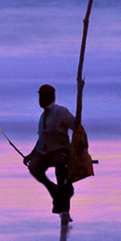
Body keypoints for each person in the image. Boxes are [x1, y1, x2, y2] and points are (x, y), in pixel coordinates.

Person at [26, 84, 78, 219]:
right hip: (47, 153)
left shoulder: (61, 112)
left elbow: (77, 127)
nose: (40, 99)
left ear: (51, 96)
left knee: (61, 168)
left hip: (61, 151)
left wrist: (78, 150)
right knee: (34, 167)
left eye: (43, 96)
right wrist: (31, 155)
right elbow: (41, 140)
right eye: (40, 96)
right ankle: (53, 190)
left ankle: (64, 206)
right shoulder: (43, 117)